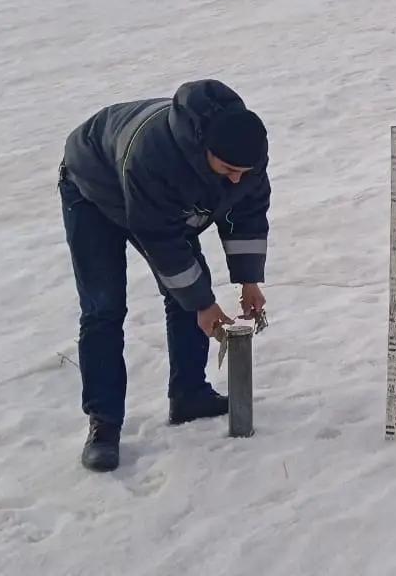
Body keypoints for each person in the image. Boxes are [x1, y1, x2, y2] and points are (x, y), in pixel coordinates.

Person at [56, 78, 272, 472]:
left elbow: (247, 212)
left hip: (149, 199)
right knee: (104, 307)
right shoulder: (154, 157)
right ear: (202, 148)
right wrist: (202, 304)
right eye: (228, 170)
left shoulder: (245, 152)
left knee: (191, 286)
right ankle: (104, 424)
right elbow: (161, 238)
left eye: (245, 171)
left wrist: (248, 279)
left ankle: (189, 395)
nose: (238, 178)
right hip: (92, 189)